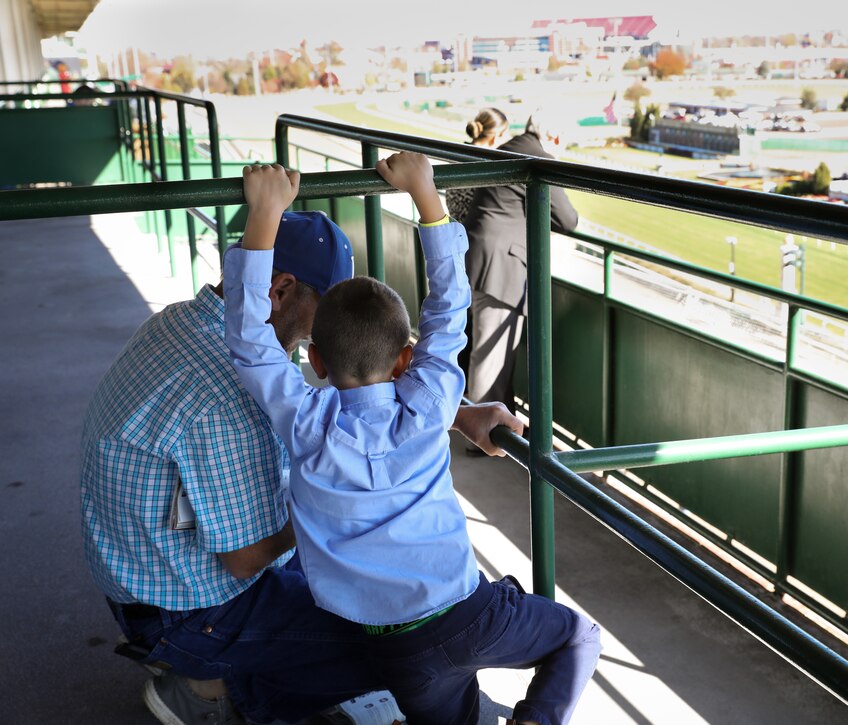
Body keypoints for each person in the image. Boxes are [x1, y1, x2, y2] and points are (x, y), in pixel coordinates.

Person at [80, 194, 523, 723]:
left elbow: (357, 395)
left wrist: (456, 411)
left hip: (145, 571)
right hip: (184, 609)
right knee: (410, 635)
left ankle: (232, 672)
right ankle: (212, 690)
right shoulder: (227, 400)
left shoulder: (192, 319)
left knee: (389, 594)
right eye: (326, 312)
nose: (330, 336)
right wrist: (337, 501)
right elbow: (244, 559)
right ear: (281, 289)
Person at [224, 155, 601, 725]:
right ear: (405, 358)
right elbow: (451, 310)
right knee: (576, 639)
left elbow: (251, 341)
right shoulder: (430, 403)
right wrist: (426, 196)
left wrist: (266, 214)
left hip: (390, 648)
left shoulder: (305, 423)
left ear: (317, 361)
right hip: (466, 613)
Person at [463, 109, 579, 412]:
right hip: (500, 267)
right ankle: (481, 437)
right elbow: (567, 219)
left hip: (481, 258)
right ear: (553, 137)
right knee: (490, 355)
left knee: (492, 350)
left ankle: (500, 424)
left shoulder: (508, 149)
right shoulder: (539, 158)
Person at [445, 107, 508, 222]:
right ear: (495, 137)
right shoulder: (488, 166)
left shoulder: (457, 155)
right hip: (476, 227)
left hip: (457, 224)